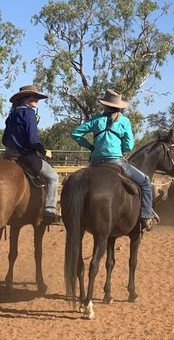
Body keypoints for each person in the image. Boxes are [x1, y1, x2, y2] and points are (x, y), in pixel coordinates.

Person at [70, 88, 154, 231]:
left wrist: (91, 147)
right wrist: (120, 149)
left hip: (95, 163)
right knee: (145, 181)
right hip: (116, 161)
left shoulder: (96, 119)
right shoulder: (124, 121)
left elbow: (75, 134)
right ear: (119, 107)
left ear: (104, 105)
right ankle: (146, 216)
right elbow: (129, 145)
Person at [2, 84, 60, 223]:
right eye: (34, 97)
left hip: (8, 154)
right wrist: (43, 150)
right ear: (25, 99)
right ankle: (50, 211)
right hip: (25, 155)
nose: (37, 99)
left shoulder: (11, 115)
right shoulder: (29, 113)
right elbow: (33, 139)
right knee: (53, 177)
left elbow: (4, 139)